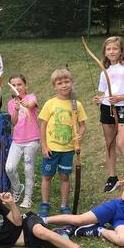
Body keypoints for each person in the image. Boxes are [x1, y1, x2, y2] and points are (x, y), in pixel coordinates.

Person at [92, 36, 124, 192]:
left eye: (115, 48)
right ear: (104, 52)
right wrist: (99, 99)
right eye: (108, 49)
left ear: (121, 50)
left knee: (122, 142)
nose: (112, 51)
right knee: (110, 144)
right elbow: (105, 93)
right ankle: (112, 178)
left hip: (123, 108)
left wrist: (119, 98)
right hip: (106, 108)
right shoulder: (105, 70)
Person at [38, 68, 87, 218]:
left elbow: (82, 125)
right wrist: (44, 146)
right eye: (60, 83)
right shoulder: (50, 104)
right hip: (51, 149)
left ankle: (64, 205)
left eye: (67, 81)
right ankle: (45, 204)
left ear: (71, 82)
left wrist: (80, 135)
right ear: (54, 86)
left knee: (64, 177)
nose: (64, 85)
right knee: (47, 177)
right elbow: (43, 125)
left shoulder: (76, 105)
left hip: (68, 149)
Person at [4, 74, 40, 209]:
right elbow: (13, 122)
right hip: (17, 140)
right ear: (10, 88)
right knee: (9, 168)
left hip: (32, 140)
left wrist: (26, 104)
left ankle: (28, 198)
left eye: (19, 84)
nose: (17, 87)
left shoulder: (31, 97)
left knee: (28, 169)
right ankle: (17, 187)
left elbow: (32, 104)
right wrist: (16, 109)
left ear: (25, 85)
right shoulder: (11, 103)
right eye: (13, 85)